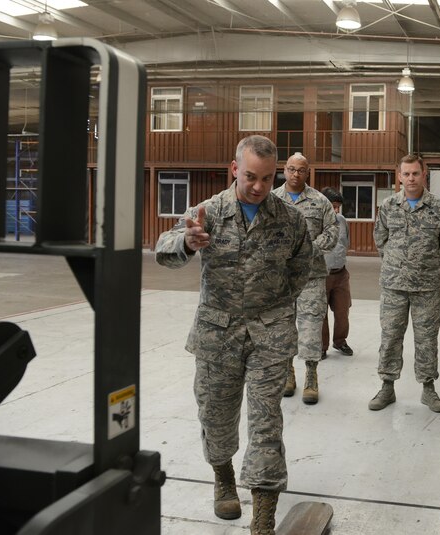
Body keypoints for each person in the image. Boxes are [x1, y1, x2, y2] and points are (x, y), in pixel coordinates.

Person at [155, 135, 313, 535]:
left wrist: (275, 310)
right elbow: (163, 248)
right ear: (234, 170)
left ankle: (263, 514)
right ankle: (223, 474)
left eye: (266, 178)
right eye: (249, 177)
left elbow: (302, 267)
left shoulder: (290, 218)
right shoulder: (207, 211)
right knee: (216, 415)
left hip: (270, 335)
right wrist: (186, 243)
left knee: (266, 423)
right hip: (217, 334)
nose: (258, 187)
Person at [369, 154, 440, 413]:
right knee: (390, 336)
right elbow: (380, 240)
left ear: (423, 174)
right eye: (406, 174)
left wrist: (422, 265)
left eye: (415, 173)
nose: (411, 178)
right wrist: (397, 263)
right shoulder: (389, 205)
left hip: (426, 287)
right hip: (393, 286)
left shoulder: (439, 208)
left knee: (427, 339)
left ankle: (428, 389)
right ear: (400, 176)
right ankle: (387, 386)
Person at [272, 153, 338, 404]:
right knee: (283, 326)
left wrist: (309, 249)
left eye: (300, 170)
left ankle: (311, 376)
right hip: (281, 278)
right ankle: (288, 374)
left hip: (311, 276)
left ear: (307, 172)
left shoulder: (320, 201)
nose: (295, 174)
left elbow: (332, 232)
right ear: (284, 170)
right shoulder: (273, 199)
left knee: (311, 327)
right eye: (291, 169)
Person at [320, 187, 353, 358]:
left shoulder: (342, 221)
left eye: (338, 206)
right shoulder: (315, 221)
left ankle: (340, 341)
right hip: (321, 275)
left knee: (342, 310)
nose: (336, 210)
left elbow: (345, 243)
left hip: (341, 274)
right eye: (333, 206)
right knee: (321, 313)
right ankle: (322, 346)